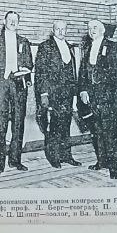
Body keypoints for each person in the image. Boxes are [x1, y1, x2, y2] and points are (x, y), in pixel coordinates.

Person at [77, 19, 117, 179]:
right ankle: (102, 161)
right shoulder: (87, 48)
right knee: (97, 132)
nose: (92, 30)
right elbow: (83, 73)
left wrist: (115, 96)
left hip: (108, 99)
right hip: (91, 99)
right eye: (89, 28)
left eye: (95, 27)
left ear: (103, 30)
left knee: (110, 133)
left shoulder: (113, 47)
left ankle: (114, 169)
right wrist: (83, 90)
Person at [0, 9, 33, 176]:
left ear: (18, 23)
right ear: (4, 21)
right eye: (10, 19)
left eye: (16, 20)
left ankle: (15, 160)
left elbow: (29, 63)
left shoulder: (24, 41)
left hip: (19, 86)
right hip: (1, 86)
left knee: (18, 125)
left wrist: (25, 69)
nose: (13, 22)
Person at [34, 20, 81, 168]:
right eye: (58, 29)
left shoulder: (70, 47)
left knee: (66, 125)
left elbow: (72, 72)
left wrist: (74, 94)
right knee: (53, 126)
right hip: (52, 94)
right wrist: (44, 94)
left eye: (63, 29)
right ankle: (53, 157)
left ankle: (66, 155)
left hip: (68, 94)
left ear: (66, 30)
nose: (61, 32)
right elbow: (40, 72)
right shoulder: (45, 46)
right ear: (53, 30)